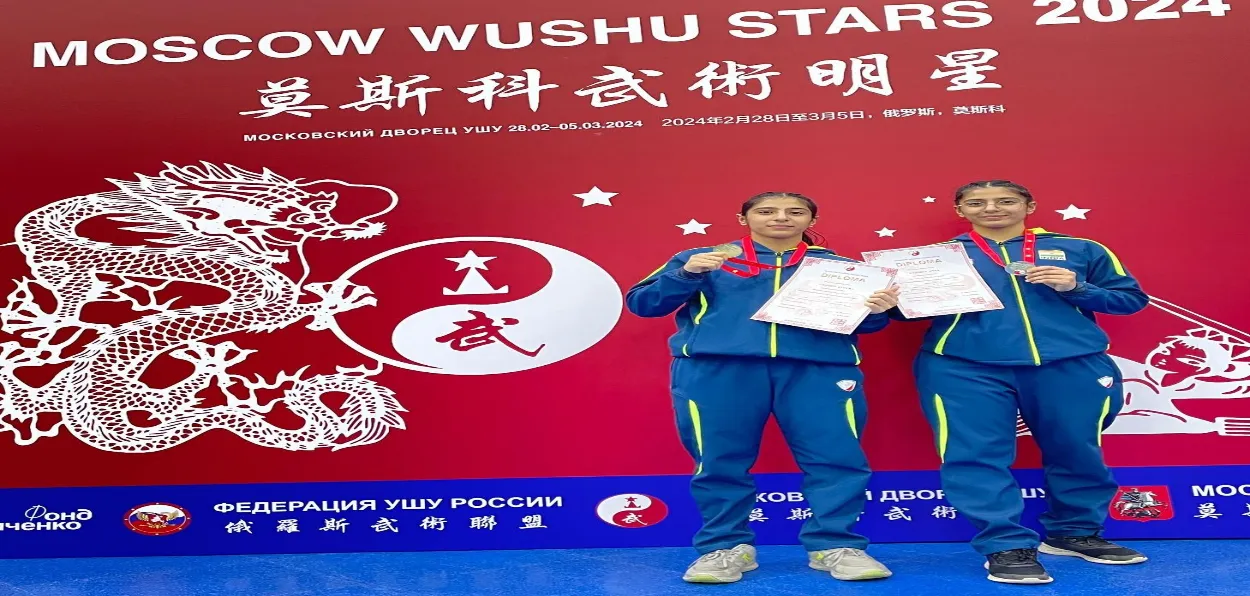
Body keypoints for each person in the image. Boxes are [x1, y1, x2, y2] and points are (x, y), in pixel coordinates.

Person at [625, 192, 900, 584]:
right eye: (767, 211)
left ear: (811, 219)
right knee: (719, 460)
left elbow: (865, 326)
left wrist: (878, 310)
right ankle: (723, 547)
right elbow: (643, 303)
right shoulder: (704, 257)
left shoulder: (840, 269)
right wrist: (685, 275)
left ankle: (836, 545)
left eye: (795, 211)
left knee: (836, 459)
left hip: (819, 371)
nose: (781, 218)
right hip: (717, 370)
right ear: (743, 217)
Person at [893, 180, 1149, 584]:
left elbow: (1130, 300)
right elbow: (904, 315)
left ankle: (1075, 532)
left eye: (1006, 201)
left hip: (1069, 363)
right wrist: (893, 301)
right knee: (975, 455)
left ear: (1029, 205)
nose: (992, 208)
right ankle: (1004, 545)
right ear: (961, 211)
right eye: (977, 203)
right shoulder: (938, 259)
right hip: (963, 366)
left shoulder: (1082, 248)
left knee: (1076, 449)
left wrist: (1075, 287)